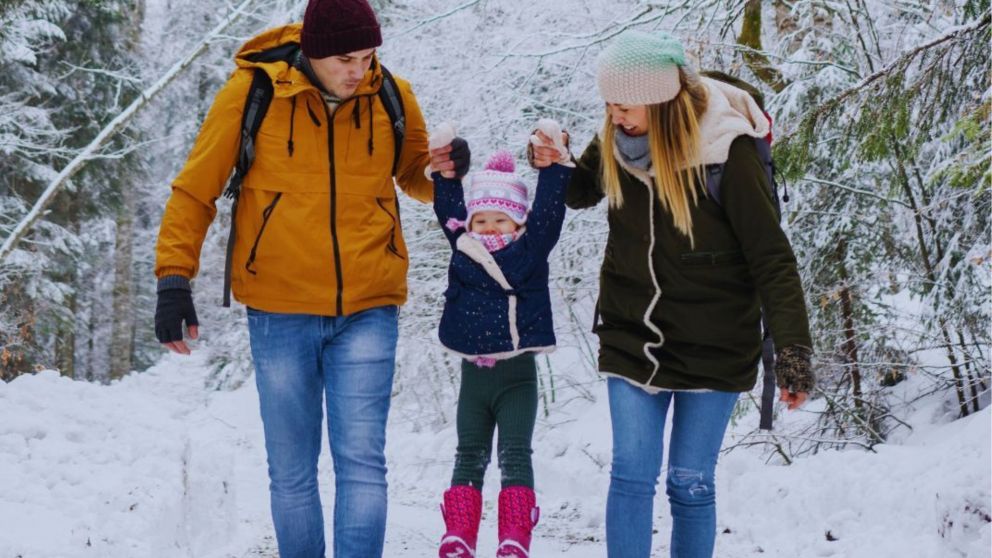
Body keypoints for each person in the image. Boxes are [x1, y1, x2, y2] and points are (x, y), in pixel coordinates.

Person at [153, 1, 469, 556]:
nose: (358, 70)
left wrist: (443, 168)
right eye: (345, 58)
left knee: (363, 464)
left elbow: (414, 174)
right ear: (312, 50)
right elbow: (194, 189)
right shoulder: (252, 95)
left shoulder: (390, 94)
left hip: (370, 303)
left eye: (368, 57)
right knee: (293, 469)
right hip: (280, 308)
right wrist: (174, 279)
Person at [530, 31, 815, 558]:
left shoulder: (726, 152)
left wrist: (794, 352)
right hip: (630, 332)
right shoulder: (617, 138)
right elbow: (579, 192)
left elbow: (771, 256)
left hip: (715, 342)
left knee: (689, 482)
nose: (615, 116)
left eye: (625, 106)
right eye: (609, 105)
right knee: (632, 474)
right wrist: (553, 158)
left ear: (662, 102)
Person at [430, 136, 573, 558]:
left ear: (518, 223)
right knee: (468, 453)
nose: (490, 229)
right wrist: (446, 174)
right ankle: (458, 535)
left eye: (501, 221)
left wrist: (553, 168)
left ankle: (514, 538)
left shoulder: (529, 250)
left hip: (517, 377)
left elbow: (548, 212)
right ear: (470, 223)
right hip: (475, 377)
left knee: (515, 454)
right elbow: (448, 209)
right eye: (482, 220)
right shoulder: (464, 246)